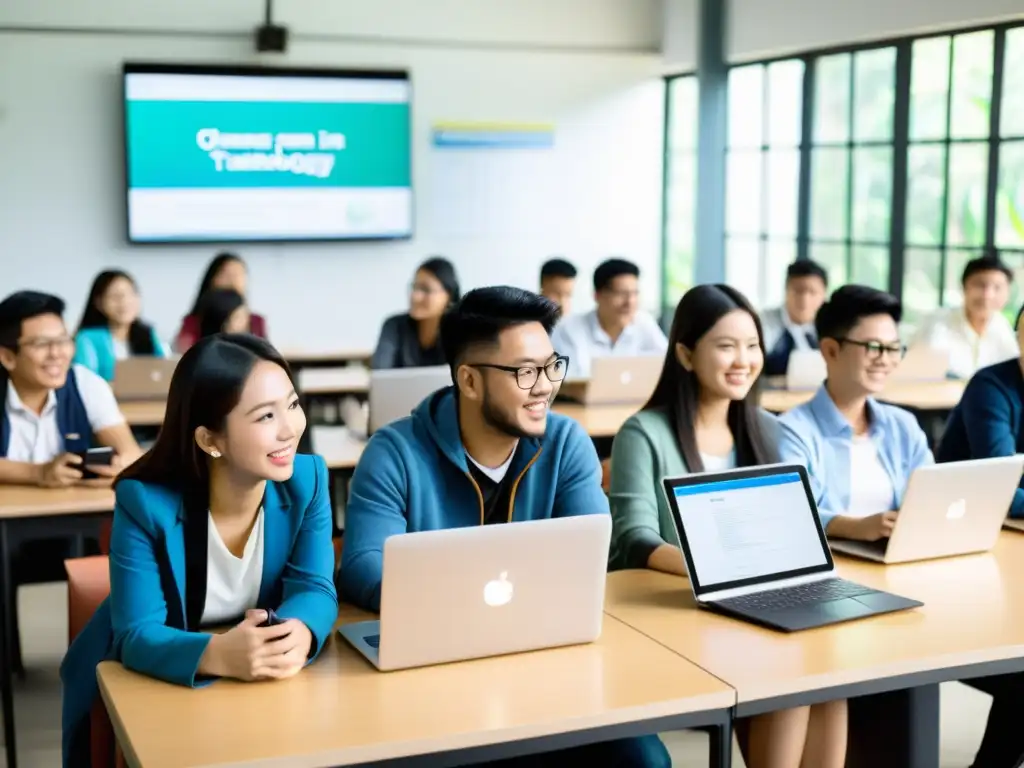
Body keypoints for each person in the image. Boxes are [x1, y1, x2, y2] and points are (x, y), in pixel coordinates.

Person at [339, 286, 669, 767]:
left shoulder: (565, 442)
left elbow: (590, 550)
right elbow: (363, 565)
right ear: (469, 381)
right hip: (432, 668)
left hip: (547, 659)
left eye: (551, 366)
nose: (544, 387)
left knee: (646, 761)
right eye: (525, 372)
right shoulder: (395, 452)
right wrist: (471, 601)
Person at [60, 334, 338, 767]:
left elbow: (316, 587)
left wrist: (300, 631)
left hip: (255, 678)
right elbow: (136, 635)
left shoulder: (310, 478)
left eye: (293, 404)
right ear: (211, 439)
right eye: (265, 415)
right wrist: (218, 654)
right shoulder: (143, 502)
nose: (291, 429)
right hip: (159, 674)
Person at [609, 284, 847, 768]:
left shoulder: (770, 429)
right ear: (685, 354)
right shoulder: (644, 433)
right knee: (796, 675)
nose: (743, 359)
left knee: (829, 675)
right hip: (681, 616)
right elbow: (633, 540)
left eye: (752, 345)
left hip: (761, 607)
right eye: (726, 346)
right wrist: (719, 572)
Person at [778, 286, 932, 541]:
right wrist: (854, 527)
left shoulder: (903, 426)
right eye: (873, 347)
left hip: (896, 557)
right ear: (830, 350)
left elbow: (930, 496)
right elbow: (790, 513)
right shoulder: (793, 430)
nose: (885, 359)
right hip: (831, 565)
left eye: (893, 348)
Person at [0, 290, 142, 486]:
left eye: (63, 340)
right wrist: (38, 473)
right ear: (7, 357)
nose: (57, 353)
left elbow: (130, 452)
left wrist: (120, 464)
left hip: (73, 511)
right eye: (41, 344)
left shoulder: (85, 383)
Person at [550, 258, 667, 378]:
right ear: (597, 295)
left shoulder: (644, 323)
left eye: (634, 293)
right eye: (621, 293)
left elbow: (668, 365)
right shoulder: (569, 329)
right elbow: (566, 381)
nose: (630, 302)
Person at [909, 253, 1017, 379]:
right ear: (964, 287)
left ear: (1007, 294)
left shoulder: (1002, 326)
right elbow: (919, 376)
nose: (987, 295)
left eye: (997, 287)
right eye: (980, 285)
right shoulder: (937, 323)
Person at [74, 270, 169, 381]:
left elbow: (163, 373)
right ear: (99, 303)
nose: (124, 301)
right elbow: (86, 382)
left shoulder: (148, 334)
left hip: (147, 397)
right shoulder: (87, 338)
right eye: (115, 296)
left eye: (130, 294)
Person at [371, 256, 460, 369]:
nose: (415, 297)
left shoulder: (458, 331)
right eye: (414, 287)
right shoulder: (393, 326)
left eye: (426, 289)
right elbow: (380, 373)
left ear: (448, 296)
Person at [176, 253, 267, 351]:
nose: (233, 281)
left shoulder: (256, 321)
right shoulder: (193, 322)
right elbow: (184, 354)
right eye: (226, 274)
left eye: (239, 274)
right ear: (212, 279)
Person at [761, 260, 829, 377]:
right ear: (786, 291)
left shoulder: (832, 326)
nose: (804, 300)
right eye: (798, 291)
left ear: (824, 295)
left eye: (812, 292)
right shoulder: (763, 323)